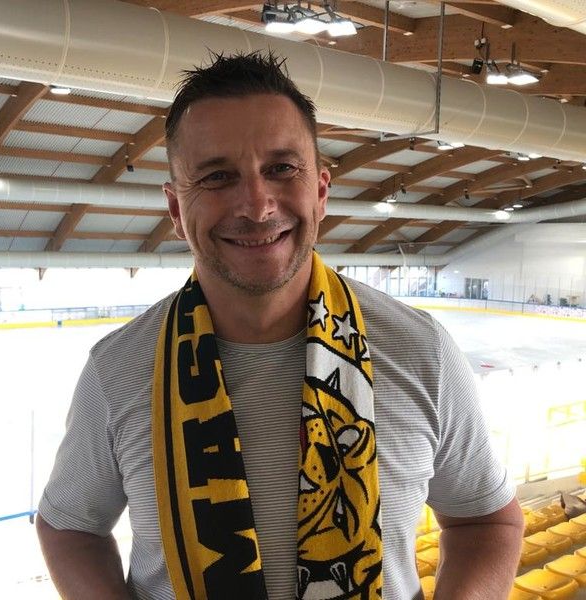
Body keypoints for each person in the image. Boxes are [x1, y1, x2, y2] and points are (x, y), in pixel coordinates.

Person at [36, 52, 524, 600]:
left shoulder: (419, 351)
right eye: (217, 177)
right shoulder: (119, 370)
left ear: (320, 190)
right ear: (175, 210)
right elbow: (69, 527)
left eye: (282, 169)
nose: (257, 205)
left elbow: (487, 521)